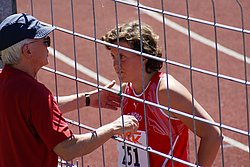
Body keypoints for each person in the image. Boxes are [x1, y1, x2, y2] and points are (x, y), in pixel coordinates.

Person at [0, 13, 139, 167]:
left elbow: (36, 110)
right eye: (45, 41)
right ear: (27, 51)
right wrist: (113, 128)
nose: (48, 47)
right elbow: (69, 148)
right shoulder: (34, 93)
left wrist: (87, 99)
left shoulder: (7, 82)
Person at [101, 20, 222, 167]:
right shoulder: (127, 90)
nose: (116, 64)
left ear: (144, 56)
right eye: (113, 57)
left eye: (122, 57)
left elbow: (213, 135)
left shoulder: (166, 92)